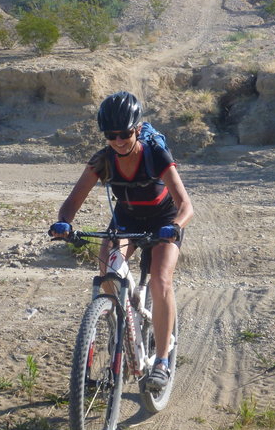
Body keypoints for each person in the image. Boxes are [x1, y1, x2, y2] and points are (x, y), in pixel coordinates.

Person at [49, 91, 194, 391]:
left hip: (163, 222)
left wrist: (176, 226)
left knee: (160, 280)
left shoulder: (156, 155)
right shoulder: (103, 160)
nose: (118, 140)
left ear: (137, 129)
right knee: (108, 277)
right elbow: (72, 202)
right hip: (126, 222)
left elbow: (185, 206)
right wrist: (64, 223)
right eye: (110, 135)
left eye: (124, 133)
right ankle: (119, 327)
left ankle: (163, 362)